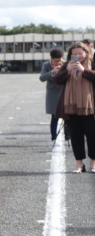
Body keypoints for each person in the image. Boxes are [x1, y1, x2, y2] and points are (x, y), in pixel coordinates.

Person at [53, 42, 95, 172]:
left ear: (86, 52)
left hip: (90, 107)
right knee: (75, 135)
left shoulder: (92, 62)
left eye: (80, 53)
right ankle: (79, 164)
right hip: (71, 106)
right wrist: (67, 71)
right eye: (74, 54)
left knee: (92, 135)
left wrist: (84, 71)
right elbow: (58, 80)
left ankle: (94, 163)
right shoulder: (67, 64)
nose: (77, 56)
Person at [40, 48, 68, 142]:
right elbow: (42, 77)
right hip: (52, 93)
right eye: (55, 61)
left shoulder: (66, 64)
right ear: (51, 58)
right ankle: (53, 137)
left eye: (59, 60)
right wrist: (52, 72)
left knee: (67, 115)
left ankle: (68, 136)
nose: (58, 63)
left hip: (64, 91)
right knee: (54, 116)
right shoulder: (46, 65)